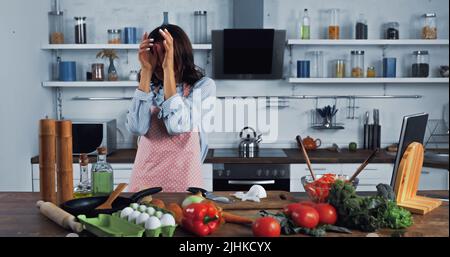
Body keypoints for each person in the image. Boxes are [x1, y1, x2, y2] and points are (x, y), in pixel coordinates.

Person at [126, 24, 216, 192]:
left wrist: (168, 69)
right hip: (145, 180)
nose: (160, 63)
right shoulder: (148, 88)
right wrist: (146, 71)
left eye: (165, 56)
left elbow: (177, 126)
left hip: (185, 182)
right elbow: (137, 128)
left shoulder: (203, 87)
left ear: (180, 54)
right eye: (155, 57)